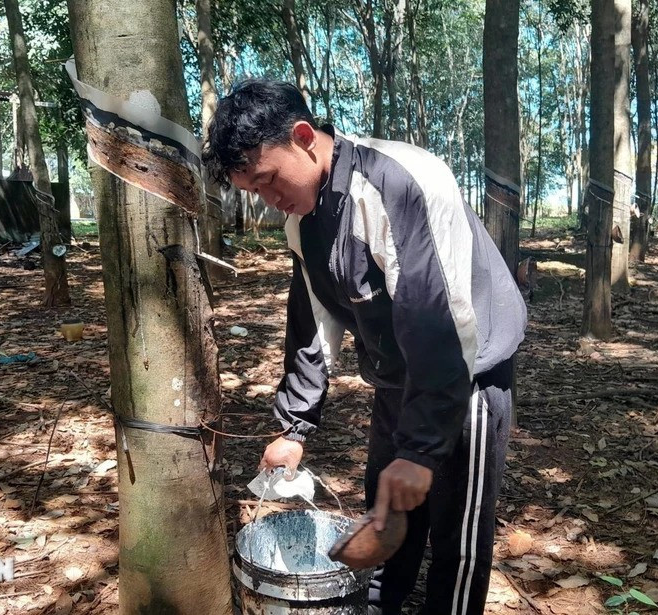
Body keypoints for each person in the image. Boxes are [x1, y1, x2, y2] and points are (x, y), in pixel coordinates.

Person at [202, 79, 526, 615]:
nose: (269, 200)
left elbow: (442, 324)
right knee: (386, 506)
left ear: (303, 137)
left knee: (456, 532)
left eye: (268, 180)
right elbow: (311, 327)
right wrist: (293, 428)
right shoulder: (302, 225)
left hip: (469, 366)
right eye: (254, 192)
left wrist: (420, 451)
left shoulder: (398, 182)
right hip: (397, 372)